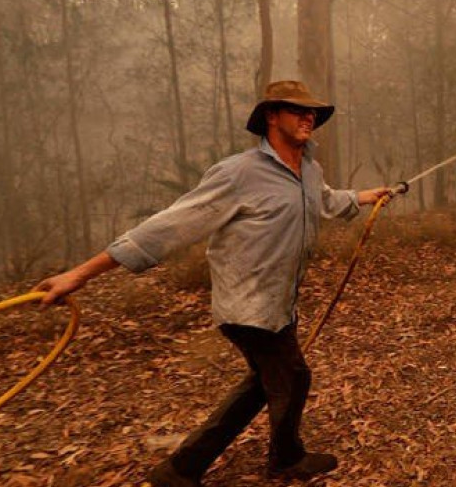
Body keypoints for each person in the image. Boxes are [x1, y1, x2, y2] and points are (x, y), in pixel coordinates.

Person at [35, 80, 391, 487]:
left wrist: (365, 196)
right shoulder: (239, 173)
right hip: (247, 306)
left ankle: (182, 469)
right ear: (271, 116)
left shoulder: (309, 170)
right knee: (291, 377)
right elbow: (167, 227)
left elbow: (324, 200)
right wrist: (79, 274)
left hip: (278, 303)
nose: (308, 117)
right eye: (298, 110)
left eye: (313, 112)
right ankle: (281, 460)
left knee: (268, 381)